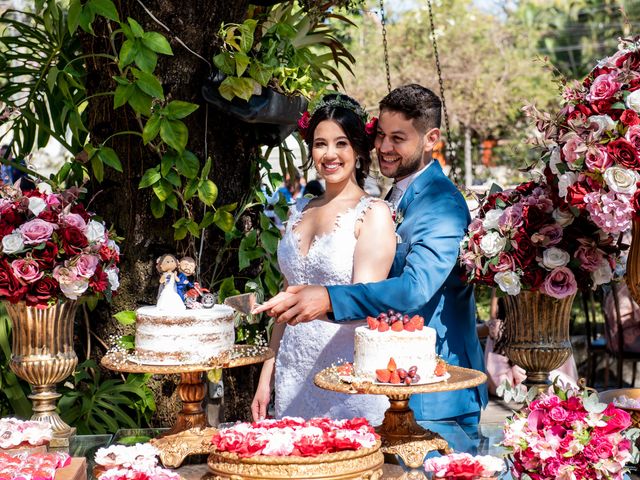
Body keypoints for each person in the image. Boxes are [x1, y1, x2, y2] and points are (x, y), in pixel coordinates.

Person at [255, 85, 489, 435]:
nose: (383, 147)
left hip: (431, 391)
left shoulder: (441, 203)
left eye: (398, 138)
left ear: (430, 139)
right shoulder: (391, 194)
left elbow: (414, 290)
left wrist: (326, 298)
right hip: (330, 374)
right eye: (380, 135)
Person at [251, 93, 396, 424]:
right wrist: (266, 377)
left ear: (358, 149)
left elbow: (366, 304)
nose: (330, 154)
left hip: (346, 373)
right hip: (292, 371)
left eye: (341, 143)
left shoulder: (373, 214)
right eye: (320, 144)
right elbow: (285, 303)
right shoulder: (297, 211)